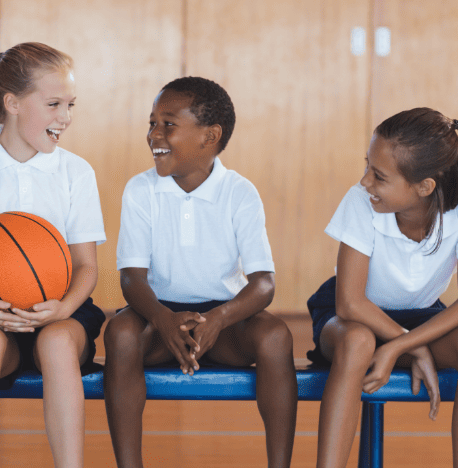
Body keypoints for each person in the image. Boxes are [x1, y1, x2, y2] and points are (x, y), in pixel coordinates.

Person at [104, 76, 297, 468]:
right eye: (152, 122)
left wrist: (217, 319)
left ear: (210, 136)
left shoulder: (240, 192)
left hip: (224, 324)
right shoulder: (140, 190)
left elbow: (263, 283)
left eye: (168, 124)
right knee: (121, 333)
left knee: (276, 336)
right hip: (157, 318)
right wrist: (161, 319)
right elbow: (131, 278)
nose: (154, 134)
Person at [0, 42, 106, 468]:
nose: (65, 117)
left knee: (59, 344)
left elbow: (86, 266)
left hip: (61, 309)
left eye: (70, 104)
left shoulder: (75, 172)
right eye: (53, 104)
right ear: (11, 103)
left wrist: (63, 306)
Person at [308, 107, 458, 468]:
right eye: (367, 166)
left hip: (420, 319)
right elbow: (350, 303)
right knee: (358, 341)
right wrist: (414, 347)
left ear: (425, 187)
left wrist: (404, 345)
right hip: (352, 318)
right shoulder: (360, 201)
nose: (365, 181)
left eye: (378, 176)